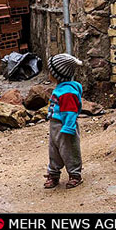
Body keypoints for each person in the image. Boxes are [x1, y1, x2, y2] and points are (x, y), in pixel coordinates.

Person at [44, 53, 84, 189]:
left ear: (57, 74)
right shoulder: (61, 89)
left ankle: (75, 174)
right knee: (54, 151)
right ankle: (53, 174)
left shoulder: (67, 92)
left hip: (64, 126)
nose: (49, 73)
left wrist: (68, 127)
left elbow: (70, 112)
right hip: (55, 125)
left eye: (50, 71)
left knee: (69, 150)